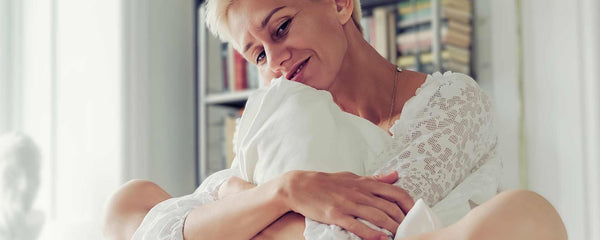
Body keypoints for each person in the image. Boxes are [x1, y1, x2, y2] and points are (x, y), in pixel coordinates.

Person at [102, 0, 567, 239]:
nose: (277, 60)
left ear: (341, 2)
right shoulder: (285, 126)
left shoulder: (452, 103)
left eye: (281, 27)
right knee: (129, 200)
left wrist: (245, 209)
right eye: (258, 54)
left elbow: (367, 230)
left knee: (525, 216)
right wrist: (287, 189)